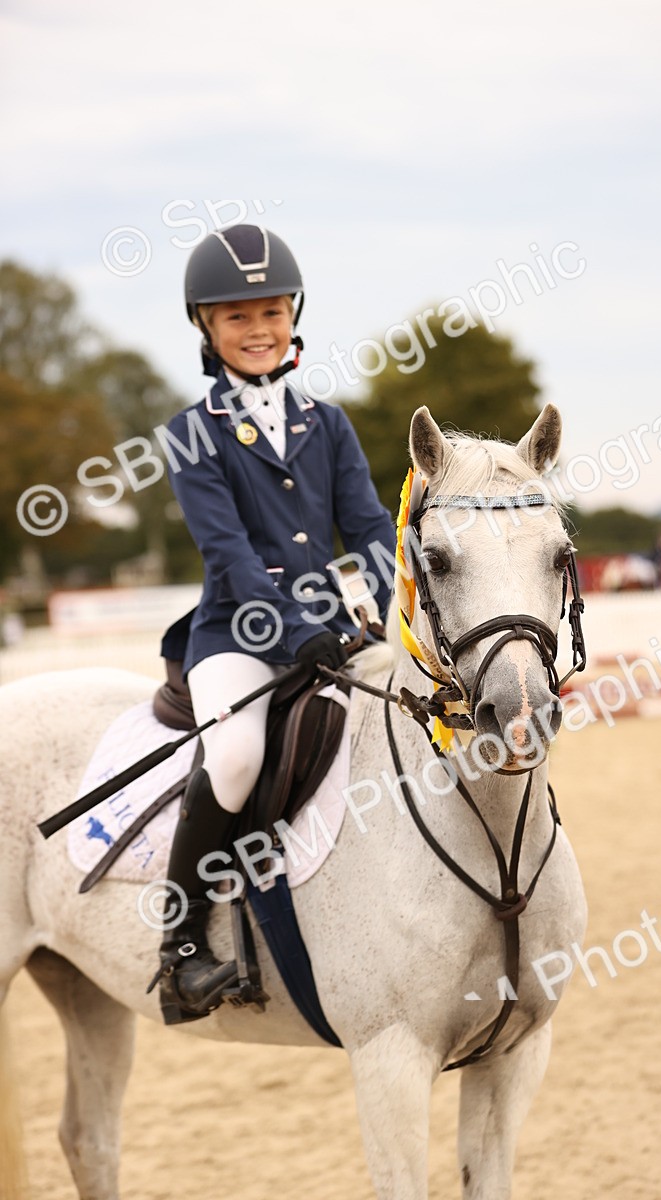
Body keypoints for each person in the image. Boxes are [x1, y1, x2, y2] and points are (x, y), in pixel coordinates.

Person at [150, 224, 395, 1022]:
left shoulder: (330, 423)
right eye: (237, 317)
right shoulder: (191, 434)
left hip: (329, 629)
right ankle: (182, 946)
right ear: (205, 326)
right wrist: (297, 631)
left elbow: (369, 528)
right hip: (237, 635)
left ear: (294, 316)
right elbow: (231, 556)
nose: (258, 330)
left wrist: (395, 612)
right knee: (236, 754)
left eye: (271, 312)